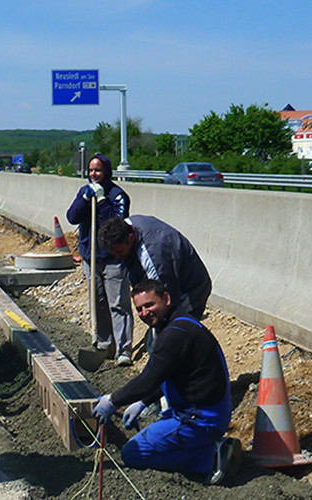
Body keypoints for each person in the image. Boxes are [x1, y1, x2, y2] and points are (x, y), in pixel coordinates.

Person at [93, 280, 242, 484]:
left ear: (166, 299)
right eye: (139, 309)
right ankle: (209, 446)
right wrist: (143, 402)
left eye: (150, 305)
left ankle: (211, 458)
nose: (145, 312)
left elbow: (149, 378)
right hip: (203, 412)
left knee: (133, 454)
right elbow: (167, 375)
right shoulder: (182, 324)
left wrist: (112, 401)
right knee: (148, 441)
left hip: (199, 419)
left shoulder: (174, 335)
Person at [96, 215, 212, 354]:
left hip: (190, 288)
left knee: (174, 336)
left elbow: (164, 305)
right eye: (113, 253)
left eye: (120, 252)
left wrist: (159, 342)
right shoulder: (127, 225)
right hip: (169, 277)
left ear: (131, 238)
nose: (117, 257)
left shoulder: (154, 257)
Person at [65, 153, 134, 365]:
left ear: (107, 172)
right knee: (98, 301)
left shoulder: (118, 196)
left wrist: (103, 200)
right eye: (91, 170)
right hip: (91, 257)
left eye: (98, 170)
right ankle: (104, 344)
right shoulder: (84, 192)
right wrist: (85, 199)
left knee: (118, 303)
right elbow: (72, 217)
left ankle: (124, 349)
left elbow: (115, 224)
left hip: (113, 259)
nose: (94, 174)